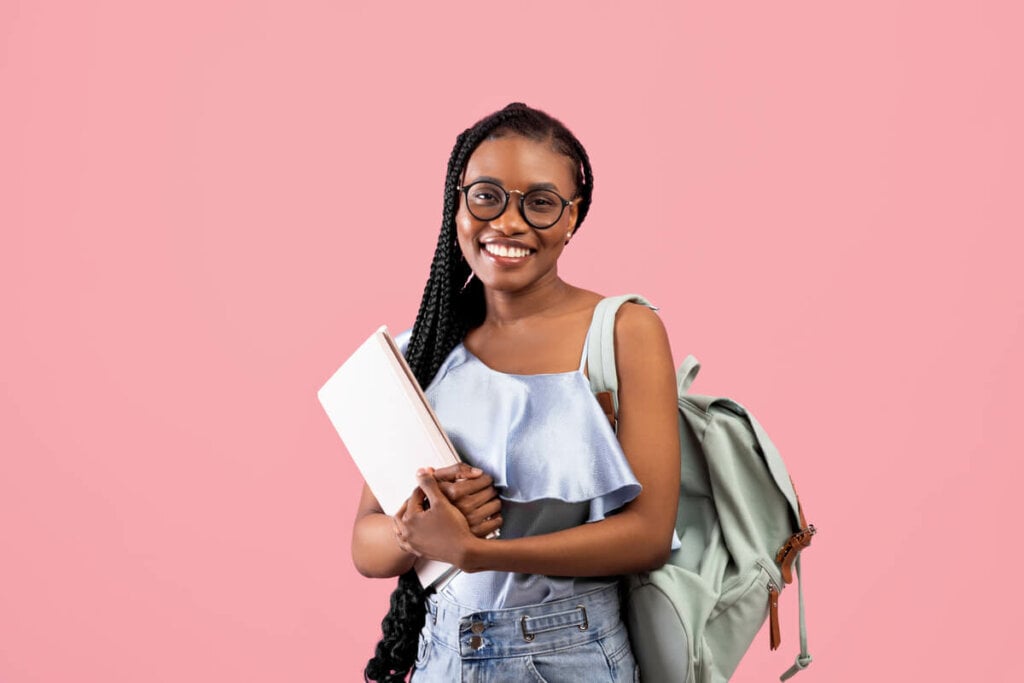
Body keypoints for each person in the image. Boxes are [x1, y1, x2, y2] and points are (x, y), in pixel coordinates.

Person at [351, 103, 680, 682]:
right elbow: (365, 544)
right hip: (441, 655)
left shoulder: (624, 331)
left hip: (572, 654)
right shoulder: (422, 347)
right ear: (457, 204)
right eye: (486, 196)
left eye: (540, 202)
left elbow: (648, 536)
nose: (507, 223)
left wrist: (475, 550)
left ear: (572, 218)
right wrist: (420, 526)